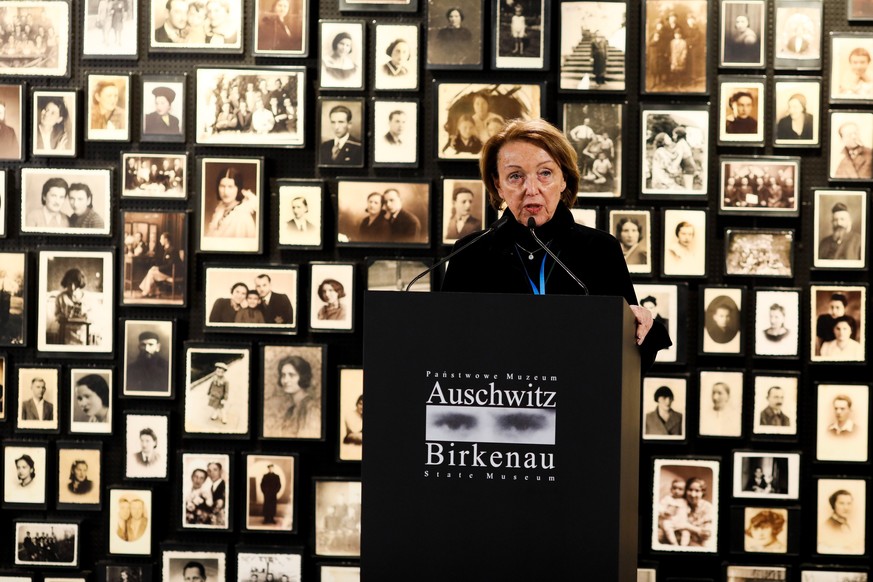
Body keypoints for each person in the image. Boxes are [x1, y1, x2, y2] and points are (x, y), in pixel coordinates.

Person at [440, 118, 670, 369]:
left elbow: (633, 356)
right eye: (515, 176)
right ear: (498, 185)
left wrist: (639, 321)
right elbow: (447, 348)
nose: (531, 188)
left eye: (545, 173)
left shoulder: (600, 250)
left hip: (577, 400)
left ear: (564, 180)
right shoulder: (470, 253)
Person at [205, 167, 258, 239]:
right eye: (222, 186)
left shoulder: (242, 217)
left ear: (238, 188)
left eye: (230, 187)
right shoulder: (220, 210)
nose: (226, 192)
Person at [277, 355, 320, 437]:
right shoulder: (290, 412)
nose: (285, 380)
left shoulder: (312, 408)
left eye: (291, 375)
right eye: (283, 375)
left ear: (303, 377)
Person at [55, 268, 92, 345]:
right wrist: (61, 316)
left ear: (79, 283)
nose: (72, 288)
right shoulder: (60, 297)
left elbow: (93, 315)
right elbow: (56, 314)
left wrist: (87, 316)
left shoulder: (87, 298)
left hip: (82, 333)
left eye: (75, 284)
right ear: (65, 283)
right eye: (69, 284)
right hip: (66, 334)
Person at [819, 489, 863, 554]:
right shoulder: (827, 526)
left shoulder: (846, 524)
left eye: (849, 503)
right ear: (833, 505)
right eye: (841, 503)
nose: (846, 508)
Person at [139, 233, 180, 298]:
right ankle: (152, 292)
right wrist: (156, 267)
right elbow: (165, 263)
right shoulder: (166, 249)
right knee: (151, 270)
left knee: (151, 273)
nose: (160, 240)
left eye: (161, 239)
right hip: (167, 271)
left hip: (172, 273)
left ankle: (148, 292)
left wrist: (158, 268)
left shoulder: (173, 250)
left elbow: (171, 265)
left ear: (166, 240)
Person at [682, 477, 714, 547]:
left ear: (702, 492)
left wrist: (687, 526)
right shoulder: (681, 504)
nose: (693, 494)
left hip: (701, 542)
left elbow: (706, 534)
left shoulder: (708, 507)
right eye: (690, 490)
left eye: (697, 491)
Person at [658, 479, 690, 546]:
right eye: (674, 488)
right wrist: (664, 511)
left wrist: (688, 511)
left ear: (684, 491)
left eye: (680, 489)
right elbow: (660, 507)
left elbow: (687, 510)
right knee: (667, 527)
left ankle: (683, 545)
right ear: (671, 489)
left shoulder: (684, 501)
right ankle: (674, 543)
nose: (676, 491)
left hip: (681, 522)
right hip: (669, 520)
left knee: (686, 532)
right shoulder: (667, 498)